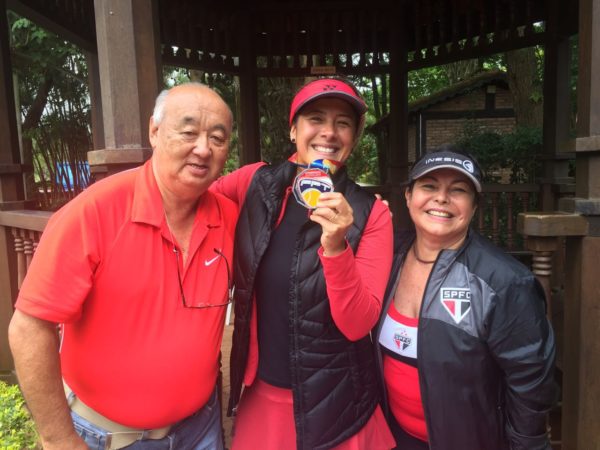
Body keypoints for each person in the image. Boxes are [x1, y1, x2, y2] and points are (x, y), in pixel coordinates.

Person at [8, 83, 237, 450]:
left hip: (200, 429)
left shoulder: (229, 217)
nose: (203, 148)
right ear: (154, 132)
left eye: (217, 138)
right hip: (108, 438)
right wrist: (59, 439)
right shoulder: (94, 213)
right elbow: (29, 328)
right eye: (189, 132)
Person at [211, 77, 395, 449]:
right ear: (293, 130)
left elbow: (358, 324)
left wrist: (337, 247)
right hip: (263, 400)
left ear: (353, 138)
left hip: (338, 407)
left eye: (343, 123)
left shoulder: (371, 214)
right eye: (316, 119)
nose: (329, 132)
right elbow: (193, 201)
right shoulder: (254, 183)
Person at [374, 145, 558, 450]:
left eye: (458, 190)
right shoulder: (388, 257)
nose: (441, 198)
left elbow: (530, 384)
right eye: (429, 186)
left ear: (473, 206)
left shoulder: (504, 282)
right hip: (393, 437)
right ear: (408, 196)